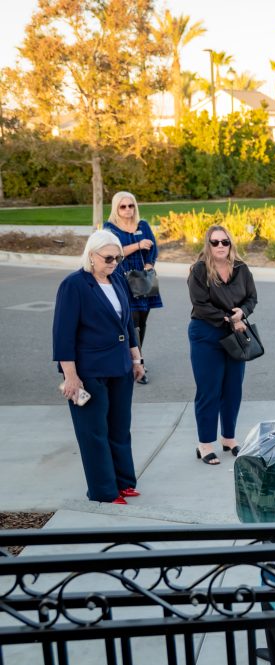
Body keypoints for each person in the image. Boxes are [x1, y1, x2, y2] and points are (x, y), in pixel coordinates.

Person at [52, 230, 145, 504]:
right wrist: (71, 377)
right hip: (89, 371)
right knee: (94, 433)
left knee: (119, 426)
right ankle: (104, 491)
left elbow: (127, 324)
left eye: (117, 257)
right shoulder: (74, 285)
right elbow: (63, 335)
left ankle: (124, 481)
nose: (113, 262)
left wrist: (136, 359)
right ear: (91, 256)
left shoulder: (116, 279)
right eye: (107, 258)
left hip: (120, 367)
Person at [188, 225, 258, 466]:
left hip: (235, 335)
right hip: (206, 334)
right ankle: (205, 444)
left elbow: (252, 298)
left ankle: (228, 438)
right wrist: (230, 319)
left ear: (231, 244)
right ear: (207, 245)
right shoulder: (199, 270)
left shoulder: (241, 268)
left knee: (233, 389)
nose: (220, 246)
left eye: (224, 242)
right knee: (209, 390)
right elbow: (201, 305)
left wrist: (243, 311)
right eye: (214, 242)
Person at [104, 191, 162, 385]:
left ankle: (137, 359)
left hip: (143, 279)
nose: (128, 210)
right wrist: (137, 245)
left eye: (131, 206)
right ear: (116, 208)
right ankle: (137, 364)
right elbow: (114, 252)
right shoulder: (110, 228)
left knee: (142, 321)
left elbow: (153, 247)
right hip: (122, 279)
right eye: (123, 206)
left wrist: (149, 265)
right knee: (131, 322)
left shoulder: (143, 225)